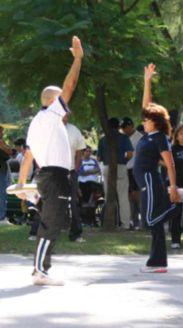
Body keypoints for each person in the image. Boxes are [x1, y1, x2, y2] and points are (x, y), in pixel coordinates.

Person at [16, 35, 83, 285]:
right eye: (62, 102)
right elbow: (70, 86)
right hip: (54, 176)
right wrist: (77, 60)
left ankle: (41, 270)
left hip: (49, 176)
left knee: (52, 222)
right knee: (51, 223)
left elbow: (27, 157)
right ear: (53, 102)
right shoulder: (51, 114)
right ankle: (39, 271)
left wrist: (23, 185)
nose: (67, 107)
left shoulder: (37, 123)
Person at [136, 63, 180, 273]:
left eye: (147, 119)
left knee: (153, 220)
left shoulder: (161, 138)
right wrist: (146, 81)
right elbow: (147, 105)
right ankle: (157, 261)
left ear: (155, 122)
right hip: (145, 183)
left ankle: (157, 262)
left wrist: (173, 187)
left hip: (151, 181)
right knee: (150, 220)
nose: (143, 121)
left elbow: (169, 163)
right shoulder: (148, 135)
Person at [97, 117, 133, 229]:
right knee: (123, 197)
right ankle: (125, 224)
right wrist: (124, 160)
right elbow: (130, 153)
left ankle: (109, 221)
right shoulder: (124, 137)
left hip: (107, 167)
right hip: (121, 166)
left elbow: (98, 158)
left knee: (108, 196)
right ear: (118, 126)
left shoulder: (103, 139)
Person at [63, 114, 87, 242]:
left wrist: (75, 170)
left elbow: (79, 153)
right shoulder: (50, 128)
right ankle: (40, 232)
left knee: (73, 203)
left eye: (67, 113)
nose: (65, 115)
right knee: (49, 203)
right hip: (53, 171)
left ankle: (76, 233)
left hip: (71, 171)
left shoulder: (74, 130)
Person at [121, 117, 144, 229]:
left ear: (130, 126)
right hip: (126, 169)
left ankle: (143, 221)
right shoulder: (123, 137)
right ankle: (133, 221)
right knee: (129, 196)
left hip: (135, 169)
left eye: (125, 127)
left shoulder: (139, 137)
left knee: (137, 196)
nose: (124, 130)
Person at [78, 146, 102, 225]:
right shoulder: (80, 161)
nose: (88, 153)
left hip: (93, 182)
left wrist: (88, 171)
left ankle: (91, 218)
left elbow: (98, 170)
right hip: (83, 183)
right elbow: (82, 172)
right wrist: (92, 171)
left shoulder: (94, 161)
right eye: (87, 151)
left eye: (89, 151)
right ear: (83, 152)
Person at [0, 125, 13, 224]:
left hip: (2, 171)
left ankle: (1, 216)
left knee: (2, 194)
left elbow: (10, 151)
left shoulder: (2, 142)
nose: (2, 133)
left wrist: (2, 145)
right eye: (1, 131)